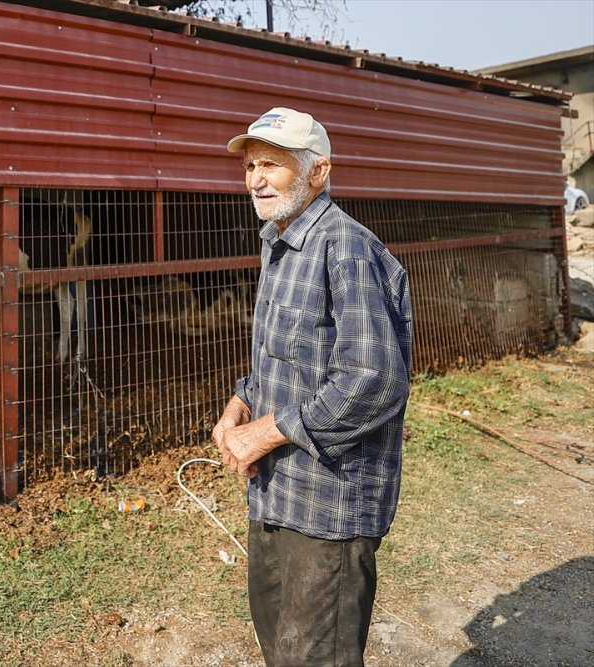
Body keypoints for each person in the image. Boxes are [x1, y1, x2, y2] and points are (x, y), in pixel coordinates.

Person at [212, 107, 413, 666]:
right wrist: (240, 404)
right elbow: (286, 356)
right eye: (250, 165)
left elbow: (373, 381)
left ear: (318, 172)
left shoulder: (346, 248)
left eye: (271, 165)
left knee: (315, 657)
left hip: (330, 504)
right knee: (280, 645)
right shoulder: (278, 244)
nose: (255, 179)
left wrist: (266, 433)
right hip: (276, 491)